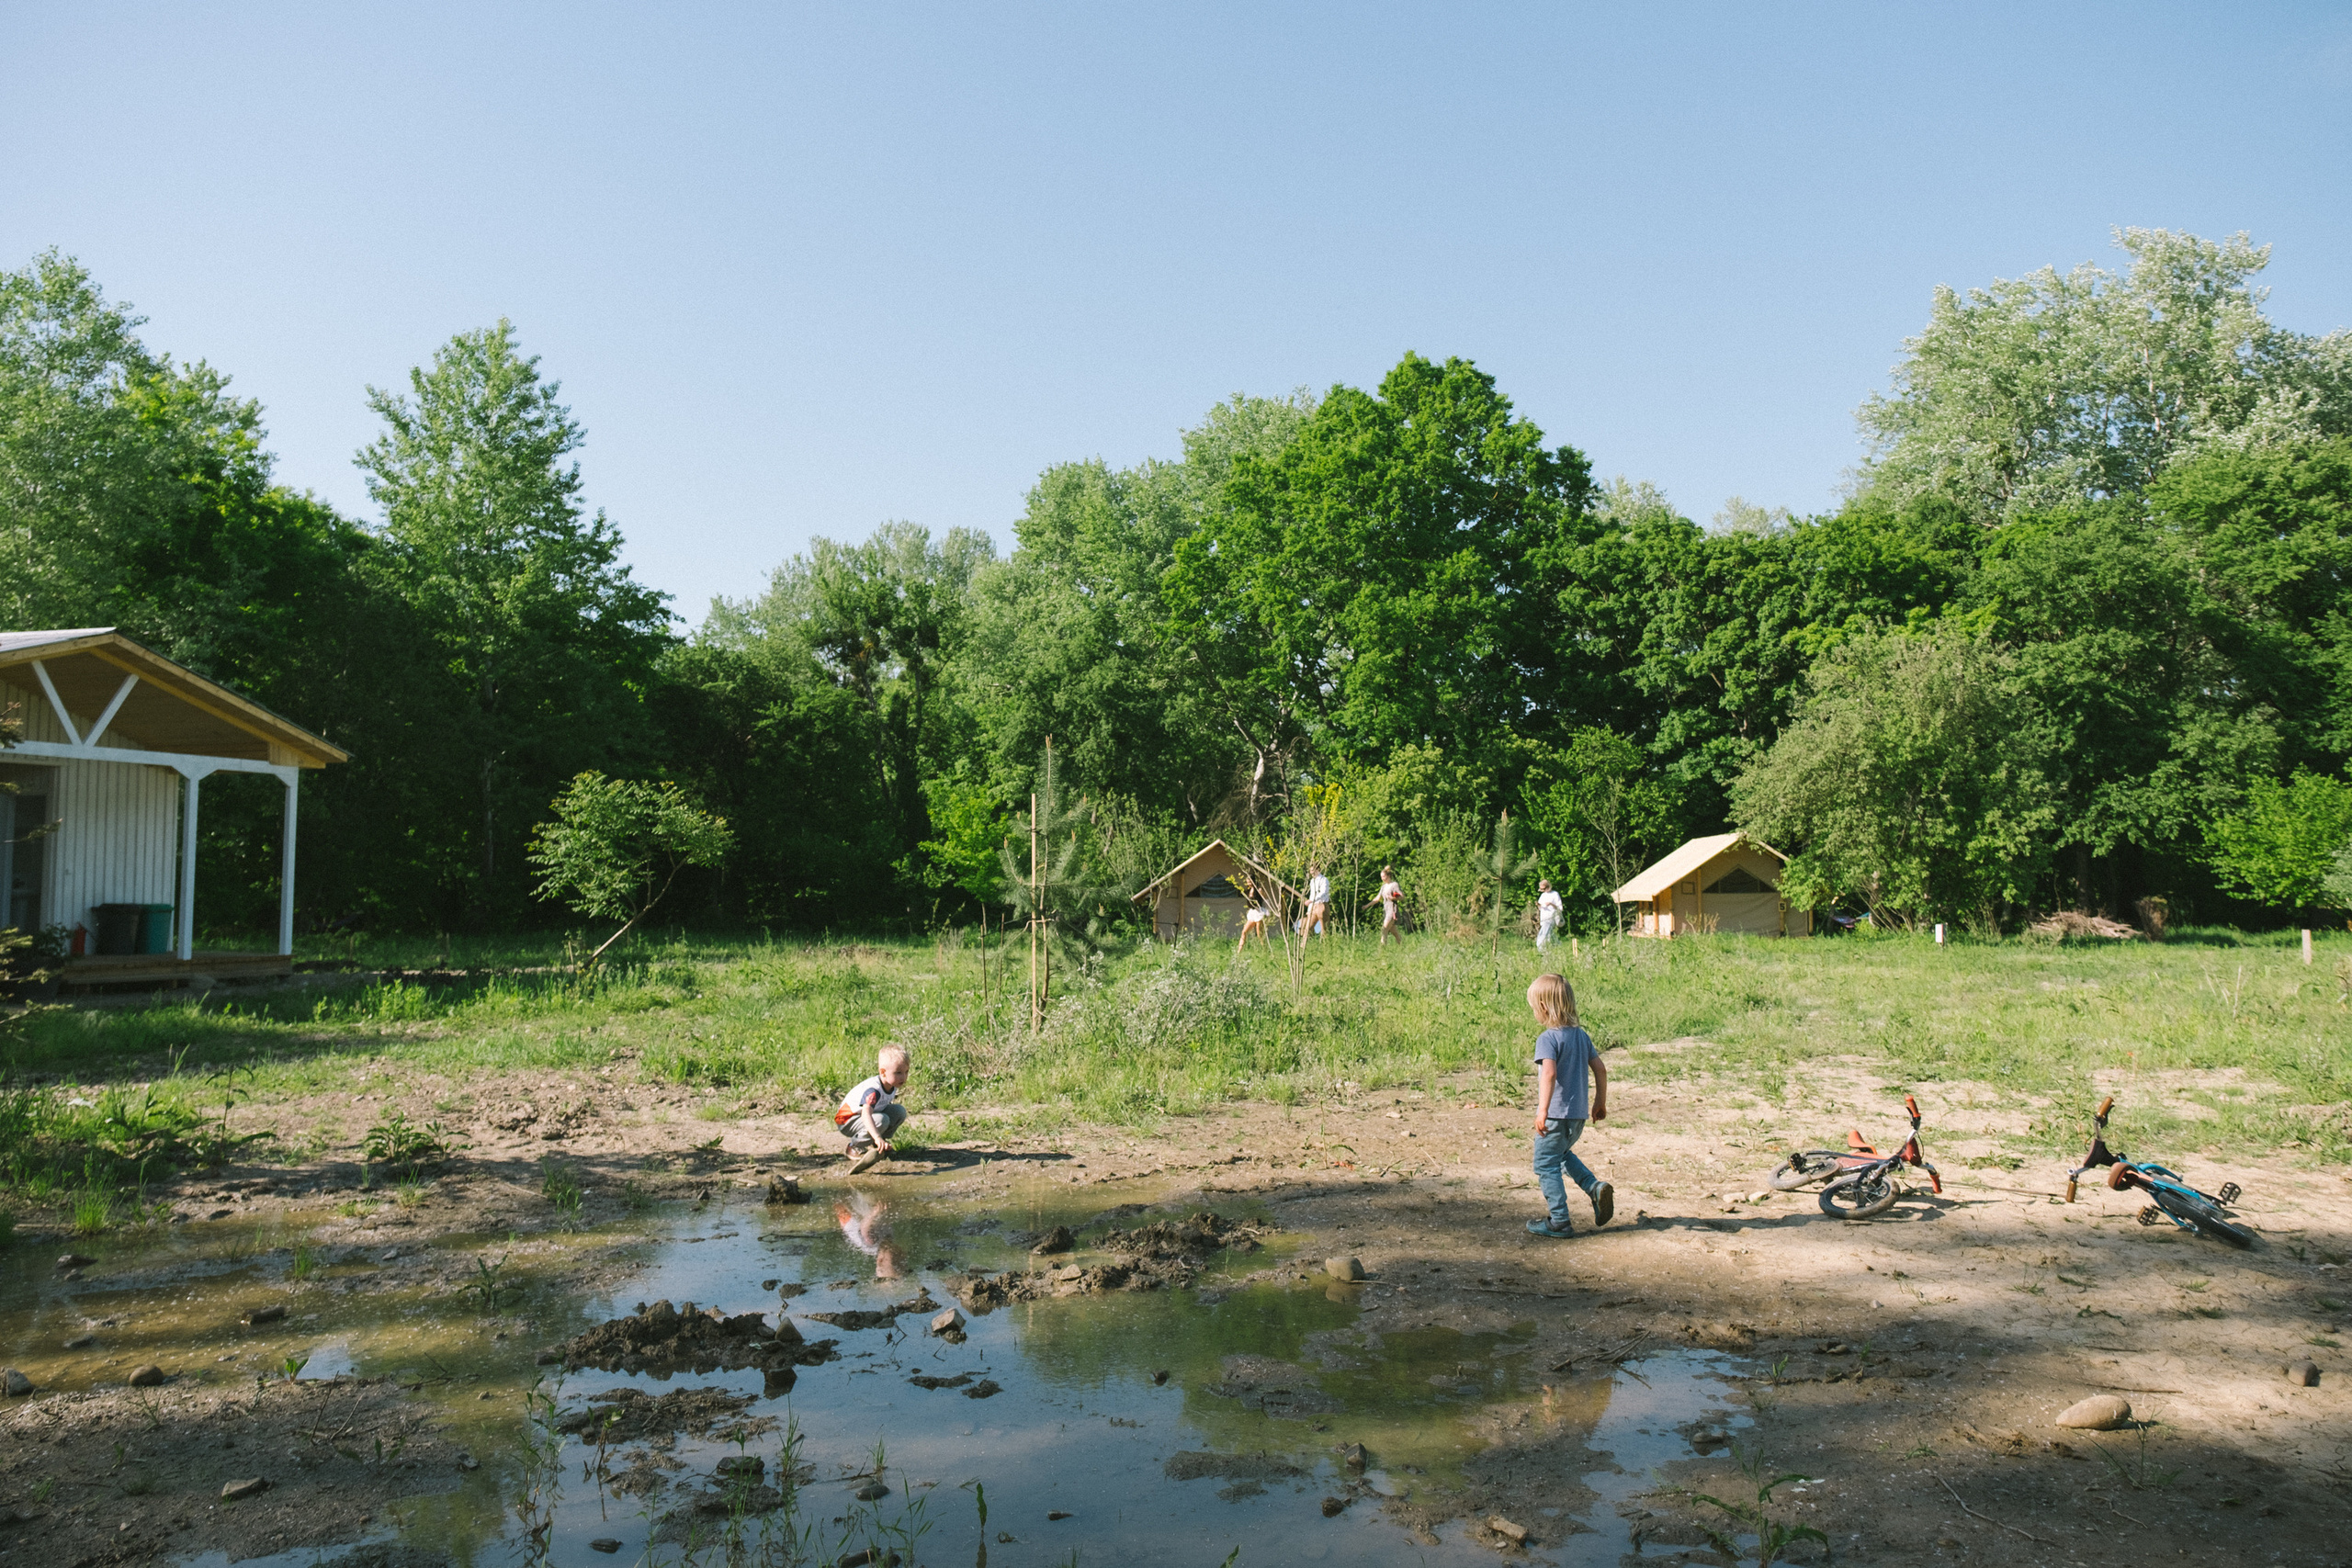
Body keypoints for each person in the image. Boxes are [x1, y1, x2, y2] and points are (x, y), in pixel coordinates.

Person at [1521, 973, 1613, 1239]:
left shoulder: (1548, 1039)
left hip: (1555, 1116)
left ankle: (1559, 1220)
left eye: (1533, 1008)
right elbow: (1601, 1069)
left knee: (1545, 1164)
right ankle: (1594, 1186)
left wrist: (1542, 1111)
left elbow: (1548, 1075)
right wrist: (1599, 1102)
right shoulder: (1581, 1036)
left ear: (1543, 1007)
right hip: (1577, 1117)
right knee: (1561, 1156)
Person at [834, 1044, 910, 1176]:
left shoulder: (891, 1085)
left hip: (862, 1118)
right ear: (883, 1073)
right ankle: (854, 1147)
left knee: (899, 1111)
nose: (903, 1077)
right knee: (882, 1120)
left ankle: (880, 1146)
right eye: (898, 1073)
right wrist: (876, 1136)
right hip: (846, 1120)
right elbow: (866, 1114)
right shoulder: (873, 1090)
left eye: (906, 1072)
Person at [1367, 865, 1404, 947]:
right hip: (1386, 910)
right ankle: (1402, 947)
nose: (1382, 878)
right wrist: (1367, 906)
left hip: (1392, 910)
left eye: (1384, 876)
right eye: (1381, 877)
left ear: (1388, 876)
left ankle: (1382, 950)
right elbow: (1377, 898)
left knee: (1384, 930)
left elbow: (1402, 897)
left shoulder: (1394, 885)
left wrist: (1393, 898)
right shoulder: (1383, 887)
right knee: (1395, 932)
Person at [1236, 873, 1272, 952]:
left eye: (1250, 882)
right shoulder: (1248, 890)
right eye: (1247, 882)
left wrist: (1268, 912)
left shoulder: (1259, 889)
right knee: (1244, 932)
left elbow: (1266, 900)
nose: (1248, 884)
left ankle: (1265, 951)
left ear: (1253, 881)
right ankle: (1239, 952)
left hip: (1259, 912)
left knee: (1259, 935)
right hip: (1252, 912)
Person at [1298, 863, 1331, 939]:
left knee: (1324, 930)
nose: (1311, 872)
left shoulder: (1324, 879)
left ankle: (1325, 948)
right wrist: (1309, 909)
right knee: (1307, 929)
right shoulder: (1312, 881)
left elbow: (1323, 892)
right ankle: (1302, 948)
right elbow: (1312, 895)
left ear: (1318, 870)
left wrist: (1311, 901)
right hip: (1313, 907)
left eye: (1313, 870)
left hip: (1322, 905)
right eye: (1310, 870)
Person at [1535, 879, 1565, 951]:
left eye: (1543, 889)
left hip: (1551, 917)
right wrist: (1538, 905)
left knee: (1543, 935)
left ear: (1548, 887)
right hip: (1544, 918)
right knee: (1550, 935)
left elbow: (1560, 908)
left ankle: (1541, 949)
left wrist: (1551, 904)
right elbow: (1540, 907)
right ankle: (1558, 947)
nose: (1542, 890)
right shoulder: (1542, 895)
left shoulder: (1555, 894)